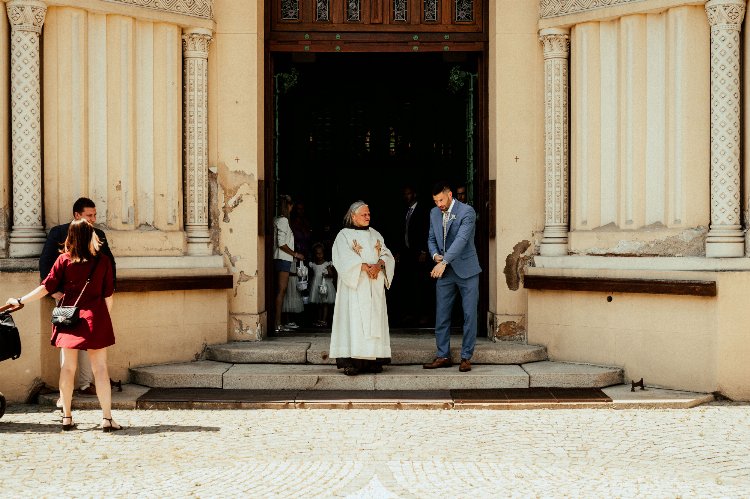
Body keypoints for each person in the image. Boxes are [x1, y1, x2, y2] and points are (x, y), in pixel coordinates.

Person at [7, 219, 122, 431]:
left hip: (69, 318)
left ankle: (67, 417)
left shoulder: (64, 260)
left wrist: (20, 300)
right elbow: (108, 295)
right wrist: (104, 319)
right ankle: (107, 419)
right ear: (92, 236)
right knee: (100, 369)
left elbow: (46, 287)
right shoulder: (103, 261)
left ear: (71, 237)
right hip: (95, 318)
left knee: (67, 368)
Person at [39, 197, 117, 398]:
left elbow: (110, 265)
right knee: (68, 346)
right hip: (67, 299)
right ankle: (65, 395)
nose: (93, 219)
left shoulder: (98, 234)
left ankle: (85, 384)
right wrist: (55, 293)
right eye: (89, 215)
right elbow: (46, 264)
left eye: (95, 215)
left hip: (92, 301)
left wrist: (107, 293)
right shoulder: (59, 233)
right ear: (77, 215)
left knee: (90, 343)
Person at [329, 201, 395, 376]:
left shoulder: (375, 234)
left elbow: (386, 254)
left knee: (374, 323)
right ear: (353, 216)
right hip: (355, 287)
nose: (367, 217)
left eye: (369, 214)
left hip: (374, 286)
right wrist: (364, 267)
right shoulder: (343, 235)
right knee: (355, 322)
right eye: (364, 214)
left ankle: (373, 360)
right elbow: (342, 258)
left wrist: (379, 265)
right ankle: (353, 362)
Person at [423, 181, 482, 373]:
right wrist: (435, 256)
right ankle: (443, 356)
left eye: (441, 200)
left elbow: (462, 240)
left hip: (467, 270)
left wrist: (444, 261)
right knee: (442, 315)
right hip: (445, 272)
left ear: (449, 195)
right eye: (435, 201)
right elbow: (431, 238)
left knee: (469, 315)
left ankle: (466, 357)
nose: (438, 204)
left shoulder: (467, 211)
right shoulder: (433, 213)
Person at [394, 184, 432, 327]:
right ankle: (411, 313)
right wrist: (398, 251)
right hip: (407, 253)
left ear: (414, 194)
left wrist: (424, 251)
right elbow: (402, 232)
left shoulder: (423, 210)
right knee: (408, 283)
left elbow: (427, 231)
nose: (406, 196)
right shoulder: (405, 211)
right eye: (405, 194)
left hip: (419, 253)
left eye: (408, 193)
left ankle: (424, 314)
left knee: (422, 283)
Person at [274, 194, 305, 333]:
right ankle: (277, 324)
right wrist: (296, 254)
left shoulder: (277, 219)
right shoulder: (283, 220)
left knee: (281, 291)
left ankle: (278, 323)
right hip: (283, 258)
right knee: (281, 291)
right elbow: (281, 243)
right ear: (289, 206)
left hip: (282, 258)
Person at [308, 242, 336, 327]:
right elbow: (312, 275)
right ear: (315, 254)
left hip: (325, 286)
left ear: (324, 253)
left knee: (324, 303)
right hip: (316, 285)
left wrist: (326, 275)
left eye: (321, 253)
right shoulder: (313, 265)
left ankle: (324, 320)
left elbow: (331, 274)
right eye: (317, 253)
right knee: (319, 304)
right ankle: (319, 320)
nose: (319, 255)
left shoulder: (327, 264)